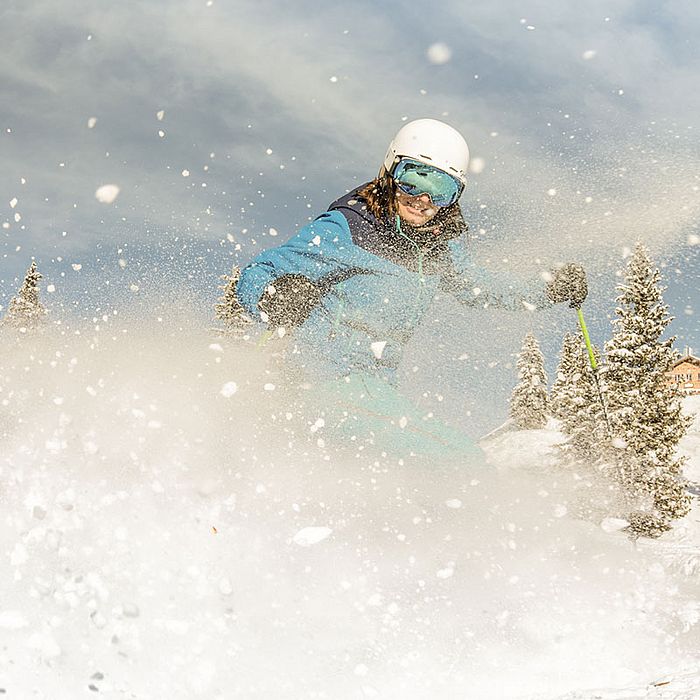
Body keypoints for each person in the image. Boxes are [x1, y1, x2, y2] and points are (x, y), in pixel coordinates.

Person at [236, 118, 587, 457]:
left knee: (391, 483)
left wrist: (548, 289)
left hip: (373, 393)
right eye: (414, 180)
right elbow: (259, 272)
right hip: (319, 382)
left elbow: (484, 288)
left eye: (442, 189)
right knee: (462, 461)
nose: (424, 199)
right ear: (390, 172)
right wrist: (273, 296)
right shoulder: (349, 228)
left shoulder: (437, 251)